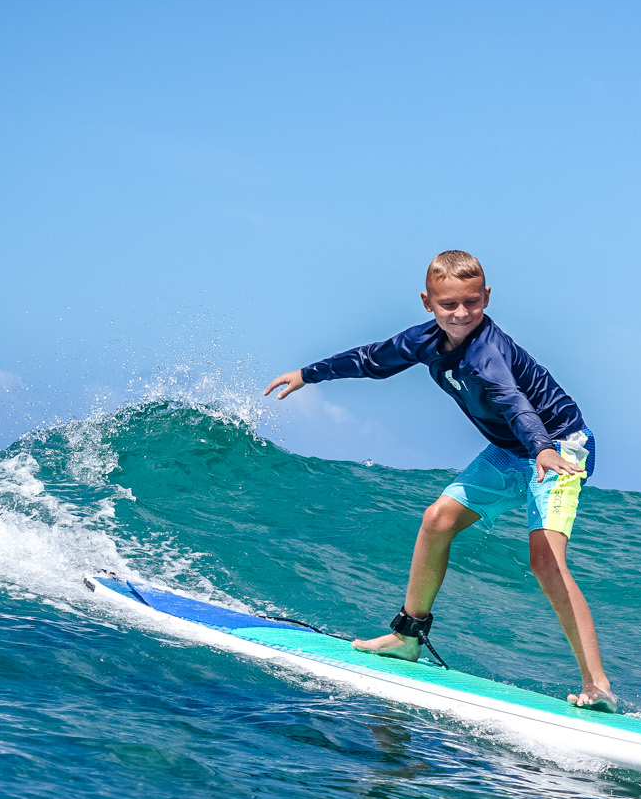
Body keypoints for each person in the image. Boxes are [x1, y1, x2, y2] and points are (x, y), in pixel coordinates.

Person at [262, 250, 619, 713]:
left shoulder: (488, 353)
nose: (462, 313)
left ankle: (598, 686)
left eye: (472, 302)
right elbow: (373, 359)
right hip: (513, 450)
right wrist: (308, 374)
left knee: (545, 559)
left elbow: (513, 402)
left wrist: (542, 449)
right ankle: (407, 636)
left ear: (486, 297)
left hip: (560, 448)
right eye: (449, 304)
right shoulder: (425, 340)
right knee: (437, 520)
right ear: (427, 302)